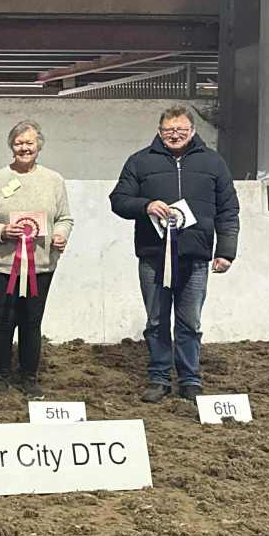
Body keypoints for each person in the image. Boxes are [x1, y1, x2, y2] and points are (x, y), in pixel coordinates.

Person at [110, 105, 239, 403]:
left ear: (193, 131)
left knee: (190, 323)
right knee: (156, 321)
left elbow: (228, 210)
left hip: (196, 257)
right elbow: (118, 200)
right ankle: (158, 378)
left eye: (181, 129)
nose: (175, 134)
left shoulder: (214, 162)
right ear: (159, 131)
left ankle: (190, 379)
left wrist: (226, 251)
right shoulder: (139, 161)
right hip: (153, 257)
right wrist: (145, 205)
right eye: (169, 130)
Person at [0, 120, 73, 400]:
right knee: (3, 320)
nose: (24, 148)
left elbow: (64, 218)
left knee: (31, 322)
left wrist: (60, 235)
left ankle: (29, 377)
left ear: (39, 145)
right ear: (11, 146)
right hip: (1, 266)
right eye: (18, 143)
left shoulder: (54, 180)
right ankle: (0, 375)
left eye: (29, 142)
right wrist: (2, 231)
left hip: (41, 265)